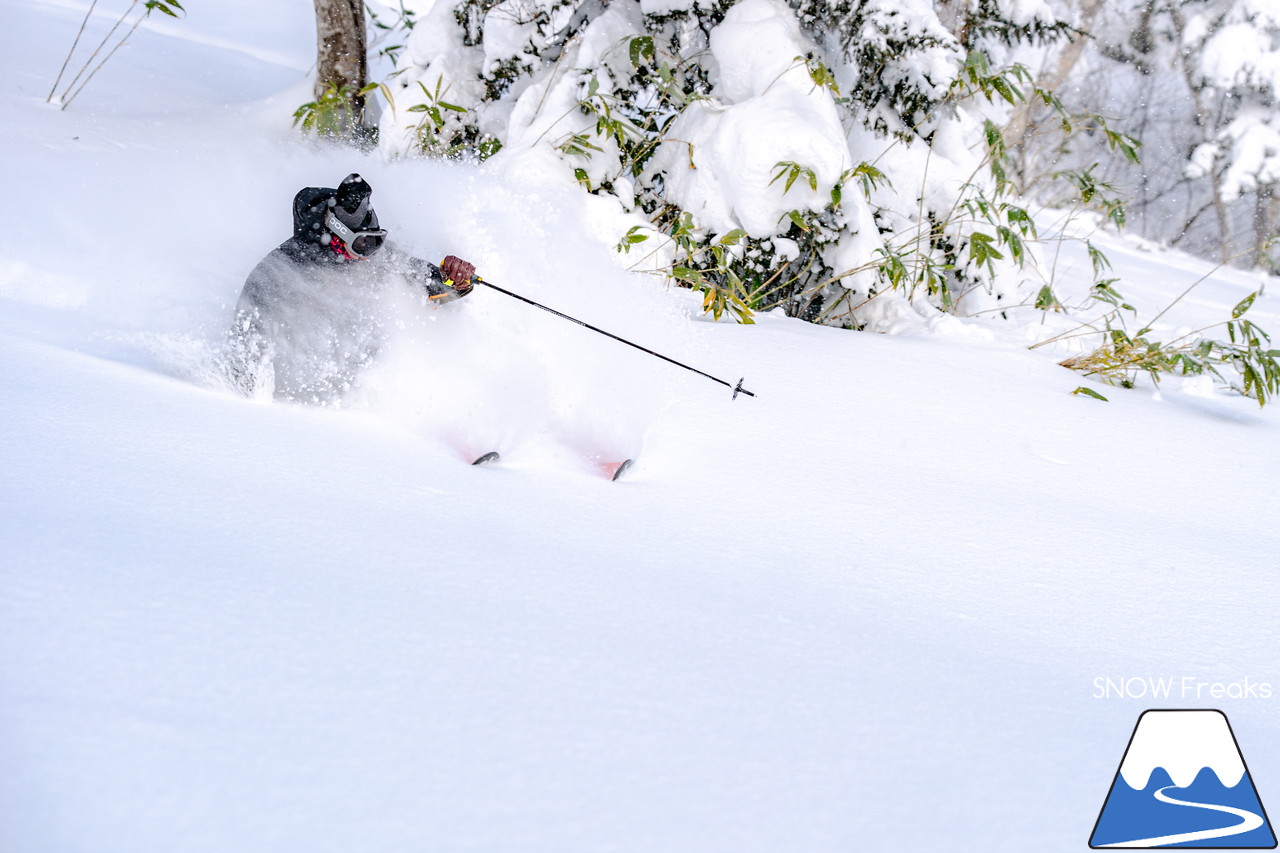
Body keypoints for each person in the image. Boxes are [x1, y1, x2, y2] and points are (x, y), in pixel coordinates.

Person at [227, 172, 477, 401]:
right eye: (363, 244)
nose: (370, 254)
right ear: (337, 233)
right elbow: (244, 349)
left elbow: (433, 292)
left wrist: (455, 279)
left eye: (377, 242)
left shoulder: (381, 259)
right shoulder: (279, 272)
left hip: (371, 393)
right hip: (306, 405)